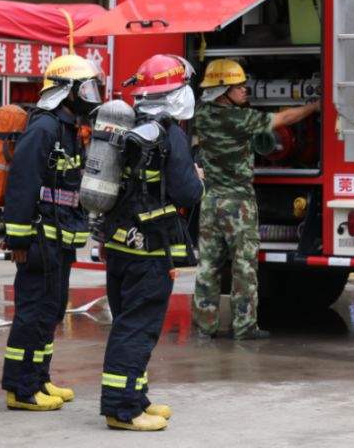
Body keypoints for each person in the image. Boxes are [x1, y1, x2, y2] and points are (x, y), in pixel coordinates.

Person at [99, 54, 204, 432]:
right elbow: (187, 192)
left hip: (120, 244)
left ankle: (136, 395)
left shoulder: (129, 128)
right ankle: (122, 409)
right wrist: (198, 178)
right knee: (137, 327)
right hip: (149, 251)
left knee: (128, 321)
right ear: (175, 93)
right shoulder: (169, 134)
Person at [0, 54, 101, 411]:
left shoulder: (68, 128)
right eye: (86, 88)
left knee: (51, 311)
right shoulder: (43, 128)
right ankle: (21, 388)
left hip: (59, 239)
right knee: (33, 314)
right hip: (40, 238)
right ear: (67, 92)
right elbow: (22, 186)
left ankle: (39, 378)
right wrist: (19, 240)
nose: (92, 95)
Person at [191, 59, 320, 340]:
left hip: (211, 202)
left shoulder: (201, 116)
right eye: (239, 85)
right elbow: (283, 120)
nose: (245, 89)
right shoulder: (240, 119)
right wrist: (314, 107)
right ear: (223, 89)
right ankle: (244, 326)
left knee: (209, 266)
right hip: (238, 204)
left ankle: (205, 325)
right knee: (244, 267)